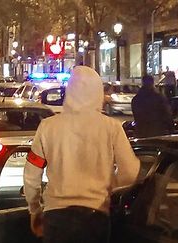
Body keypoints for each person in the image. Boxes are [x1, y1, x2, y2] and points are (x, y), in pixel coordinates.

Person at [24, 66, 140, 243]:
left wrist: (34, 209)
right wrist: (109, 188)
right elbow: (130, 171)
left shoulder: (48, 127)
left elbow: (32, 176)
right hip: (95, 216)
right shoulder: (111, 127)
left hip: (56, 216)